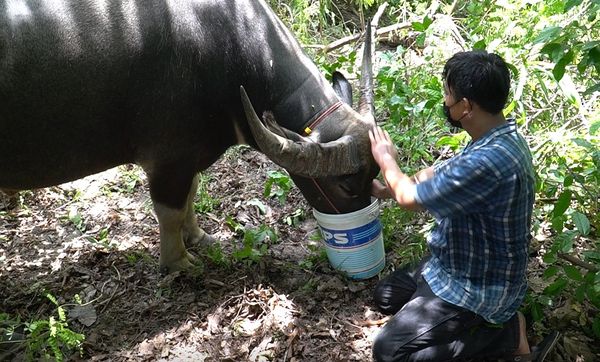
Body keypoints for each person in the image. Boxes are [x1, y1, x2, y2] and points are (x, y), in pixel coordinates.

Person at [368, 50, 560, 361]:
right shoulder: (497, 136)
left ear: (466, 106)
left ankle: (506, 334)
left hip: (478, 286)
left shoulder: (489, 161)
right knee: (386, 296)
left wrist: (387, 159)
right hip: (452, 263)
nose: (445, 101)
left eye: (447, 94)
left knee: (389, 352)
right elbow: (434, 175)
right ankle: (447, 321)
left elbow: (409, 199)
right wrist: (387, 189)